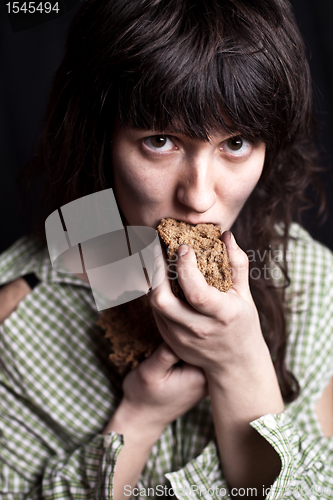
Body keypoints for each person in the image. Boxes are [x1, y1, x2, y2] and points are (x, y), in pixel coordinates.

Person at [0, 0, 332, 499]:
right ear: (103, 136)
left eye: (236, 143)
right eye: (160, 140)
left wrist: (239, 363)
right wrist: (140, 415)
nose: (198, 197)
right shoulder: (19, 316)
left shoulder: (312, 282)